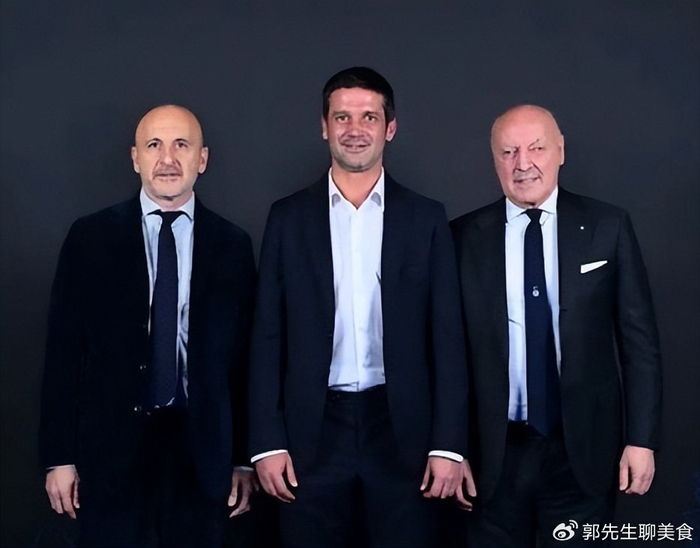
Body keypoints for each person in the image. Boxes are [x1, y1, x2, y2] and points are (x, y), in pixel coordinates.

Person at [248, 67, 475, 548]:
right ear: (324, 126)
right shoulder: (287, 218)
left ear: (390, 128)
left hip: (402, 432)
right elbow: (267, 335)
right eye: (342, 117)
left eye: (369, 117)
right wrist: (266, 442)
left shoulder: (425, 217)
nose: (355, 129)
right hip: (311, 433)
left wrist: (449, 444)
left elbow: (448, 339)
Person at [39, 105, 258, 547]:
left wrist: (242, 459)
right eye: (154, 145)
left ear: (202, 159)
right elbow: (63, 354)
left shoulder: (233, 245)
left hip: (201, 454)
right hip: (111, 453)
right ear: (135, 158)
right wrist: (59, 457)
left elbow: (244, 361)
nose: (168, 159)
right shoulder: (90, 238)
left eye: (182, 145)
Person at [450, 104, 662, 547]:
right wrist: (451, 448)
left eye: (537, 148)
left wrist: (641, 440)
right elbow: (446, 354)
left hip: (583, 451)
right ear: (494, 159)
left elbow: (639, 343)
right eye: (508, 151)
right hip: (492, 455)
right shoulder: (461, 237)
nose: (522, 163)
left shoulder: (608, 226)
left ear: (561, 151)